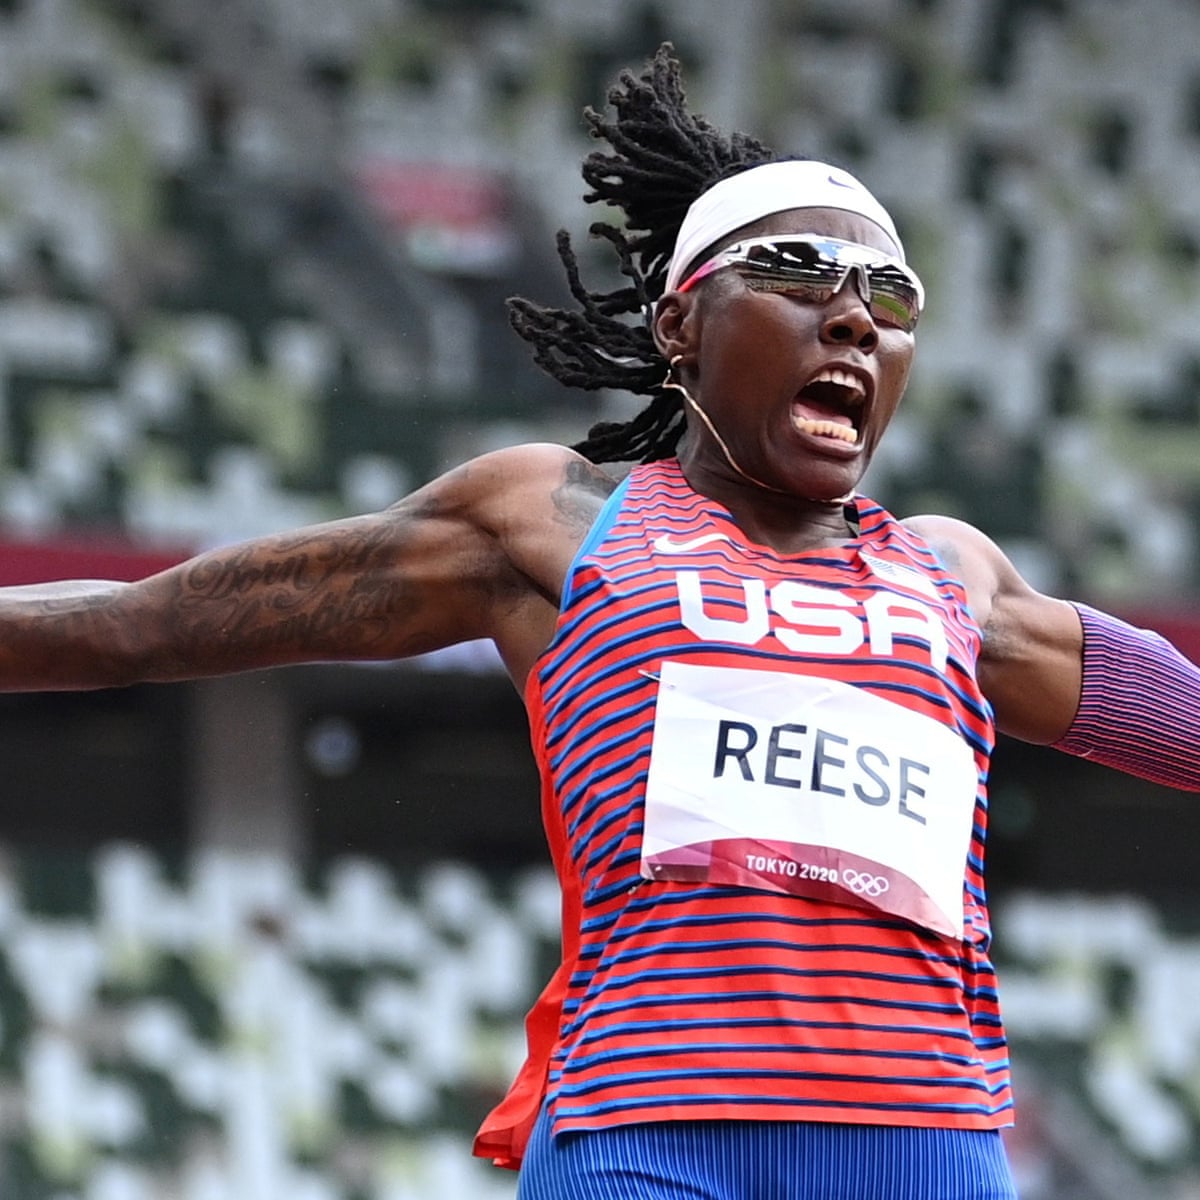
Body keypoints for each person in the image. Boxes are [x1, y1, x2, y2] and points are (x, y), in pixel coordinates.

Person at [3, 43, 1200, 1200]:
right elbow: (134, 625)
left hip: (925, 1152)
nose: (855, 319)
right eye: (798, 273)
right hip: (646, 1141)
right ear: (681, 324)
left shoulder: (952, 576)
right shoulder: (553, 524)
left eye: (892, 296)